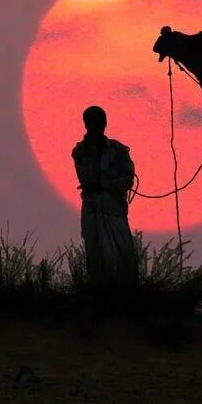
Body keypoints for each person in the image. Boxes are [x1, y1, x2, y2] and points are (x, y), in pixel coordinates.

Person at [72, 106, 137, 287]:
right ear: (86, 124)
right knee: (94, 251)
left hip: (113, 208)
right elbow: (85, 177)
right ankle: (99, 293)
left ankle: (126, 292)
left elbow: (128, 179)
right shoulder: (79, 152)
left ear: (105, 123)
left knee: (121, 251)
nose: (95, 126)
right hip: (92, 207)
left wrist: (107, 185)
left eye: (98, 121)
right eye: (91, 122)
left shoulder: (118, 150)